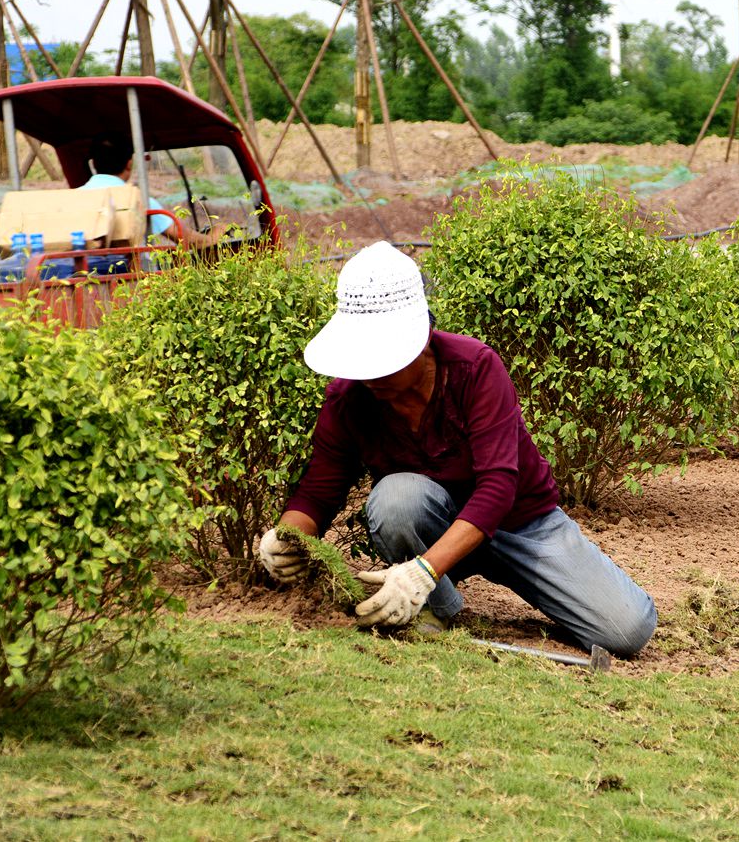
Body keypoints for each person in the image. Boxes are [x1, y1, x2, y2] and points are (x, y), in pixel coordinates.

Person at [256, 242, 658, 657]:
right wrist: (287, 539)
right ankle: (436, 607)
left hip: (521, 526)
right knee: (396, 499)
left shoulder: (474, 368)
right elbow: (320, 489)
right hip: (430, 523)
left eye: (380, 357)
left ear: (422, 340)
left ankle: (429, 583)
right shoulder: (349, 396)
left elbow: (499, 486)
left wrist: (422, 571)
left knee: (626, 630)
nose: (368, 371)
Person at [81, 134, 228, 248]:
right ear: (129, 163)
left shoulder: (74, 199)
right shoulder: (139, 200)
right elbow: (191, 241)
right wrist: (215, 235)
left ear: (93, 163)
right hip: (133, 283)